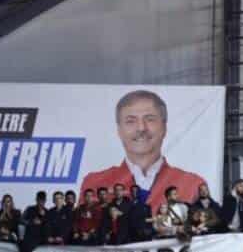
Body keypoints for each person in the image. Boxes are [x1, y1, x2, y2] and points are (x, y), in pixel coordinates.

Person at [77, 90, 207, 211]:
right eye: (130, 121)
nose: (141, 128)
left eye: (150, 119)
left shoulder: (192, 184)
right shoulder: (95, 183)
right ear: (119, 130)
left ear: (164, 127)